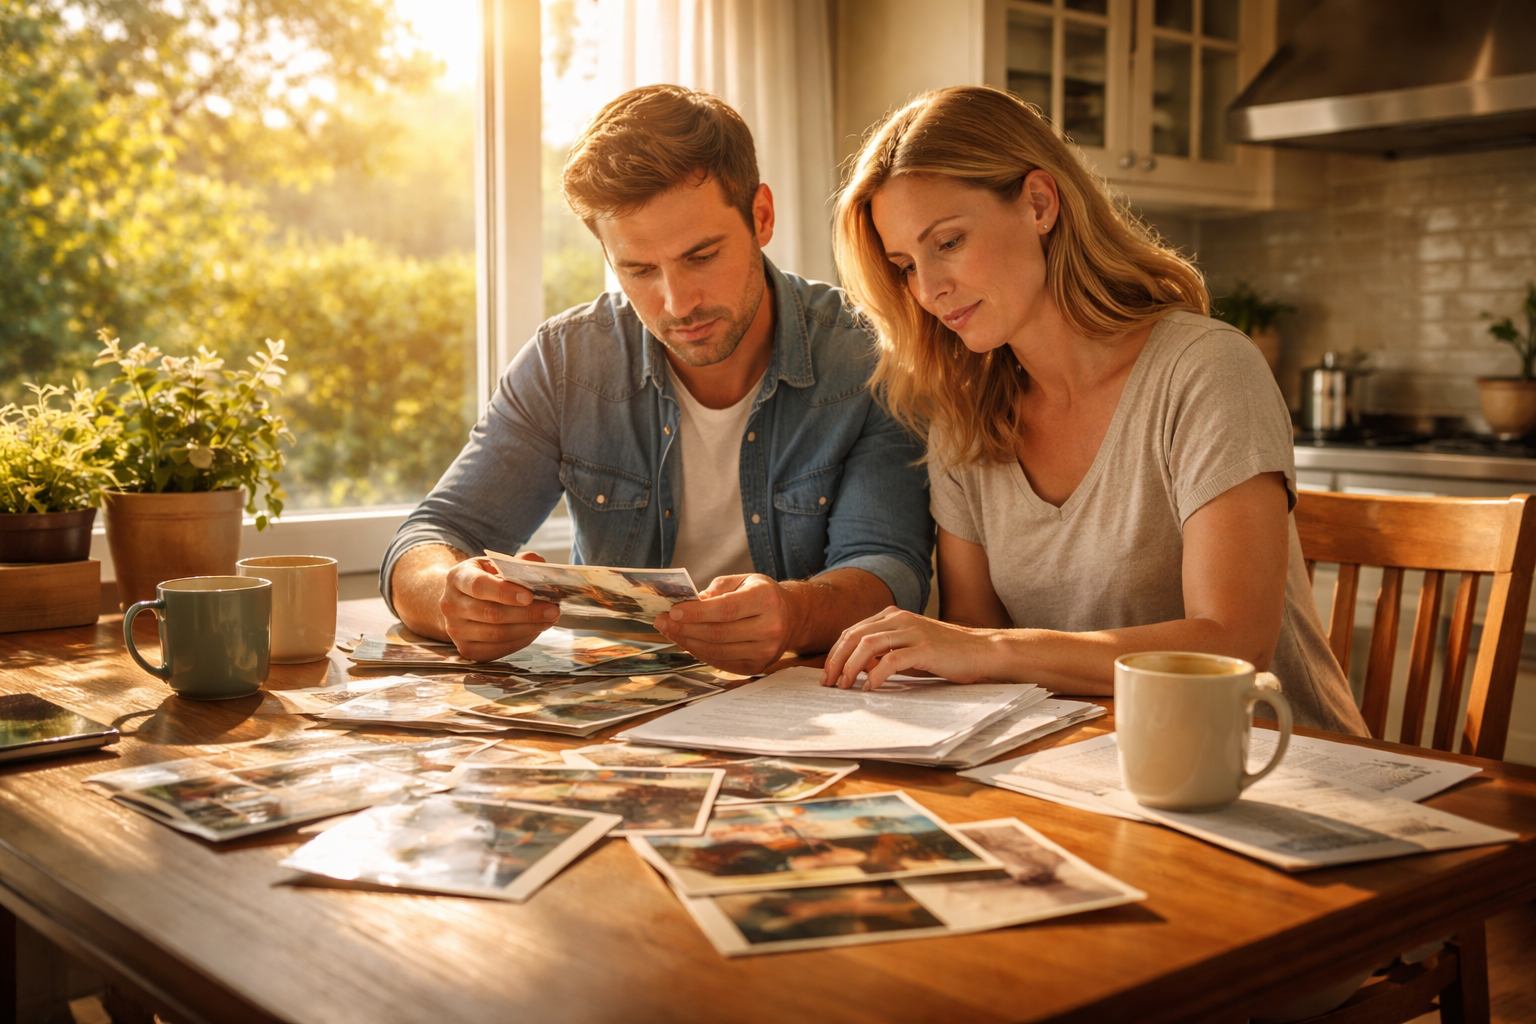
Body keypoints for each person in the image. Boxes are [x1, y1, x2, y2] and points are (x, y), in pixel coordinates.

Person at [819, 85, 1366, 737]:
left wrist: (985, 650)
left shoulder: (1207, 370)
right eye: (905, 264)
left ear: (1039, 203)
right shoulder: (966, 418)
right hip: (1083, 763)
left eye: (950, 242)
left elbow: (1231, 646)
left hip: (1275, 767)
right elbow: (975, 644)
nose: (928, 289)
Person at [382, 84, 934, 675]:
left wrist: (794, 613)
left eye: (702, 256)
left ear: (761, 216)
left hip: (800, 705)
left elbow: (888, 566)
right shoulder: (567, 362)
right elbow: (429, 537)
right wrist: (454, 598)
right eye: (639, 269)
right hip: (615, 712)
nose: (678, 303)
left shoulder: (868, 355)